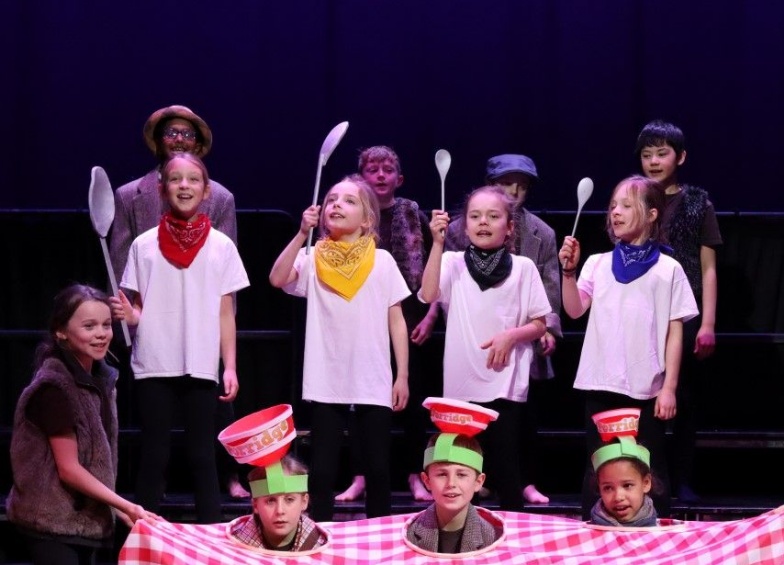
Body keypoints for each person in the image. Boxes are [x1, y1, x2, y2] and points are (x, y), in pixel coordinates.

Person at [109, 104, 248, 499]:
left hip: (201, 355)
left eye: (188, 134)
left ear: (204, 189)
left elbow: (225, 303)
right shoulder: (141, 235)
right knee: (154, 454)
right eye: (171, 133)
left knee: (202, 454)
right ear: (163, 186)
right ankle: (143, 541)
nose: (179, 140)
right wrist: (126, 315)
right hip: (155, 355)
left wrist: (229, 362)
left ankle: (207, 549)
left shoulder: (220, 227)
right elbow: (130, 286)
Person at [269, 175, 410, 520]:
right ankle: (321, 538)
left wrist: (402, 375)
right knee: (322, 470)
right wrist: (302, 233)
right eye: (331, 199)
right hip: (326, 377)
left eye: (348, 201)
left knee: (377, 468)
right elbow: (277, 278)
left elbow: (396, 320)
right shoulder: (313, 256)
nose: (335, 205)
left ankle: (380, 538)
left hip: (373, 376)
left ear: (366, 219)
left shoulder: (382, 261)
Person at [558, 175, 699, 519]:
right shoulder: (598, 263)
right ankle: (594, 538)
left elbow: (675, 333)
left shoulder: (669, 269)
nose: (615, 213)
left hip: (646, 389)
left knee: (650, 470)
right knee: (598, 470)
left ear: (652, 214)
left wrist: (669, 388)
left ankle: (655, 541)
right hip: (601, 383)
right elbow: (574, 309)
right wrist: (568, 274)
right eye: (612, 207)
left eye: (626, 206)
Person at [421, 185, 551, 511]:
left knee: (507, 471)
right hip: (461, 388)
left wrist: (510, 336)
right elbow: (427, 293)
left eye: (493, 216)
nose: (483, 222)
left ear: (509, 227)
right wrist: (437, 243)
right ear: (464, 226)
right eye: (475, 216)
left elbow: (540, 323)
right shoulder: (452, 262)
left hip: (504, 385)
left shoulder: (523, 268)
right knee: (462, 473)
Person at [7, 284, 156, 564]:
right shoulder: (54, 388)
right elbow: (69, 469)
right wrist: (123, 504)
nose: (101, 334)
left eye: (106, 325)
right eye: (89, 326)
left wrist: (115, 508)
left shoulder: (101, 380)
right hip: (51, 524)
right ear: (61, 332)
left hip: (87, 522)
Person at [445, 153, 560, 504]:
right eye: (504, 183)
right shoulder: (453, 247)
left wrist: (543, 330)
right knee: (463, 455)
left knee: (511, 443)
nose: (512, 190)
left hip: (511, 365)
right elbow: (433, 291)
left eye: (520, 184)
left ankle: (518, 501)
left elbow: (548, 295)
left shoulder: (538, 239)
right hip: (465, 368)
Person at [335, 146, 440, 503]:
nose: (380, 176)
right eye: (372, 169)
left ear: (400, 178)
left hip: (409, 318)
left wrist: (430, 313)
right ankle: (361, 474)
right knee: (359, 402)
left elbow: (433, 266)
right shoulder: (349, 213)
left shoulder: (411, 212)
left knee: (411, 404)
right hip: (361, 320)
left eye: (387, 169)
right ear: (360, 177)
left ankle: (415, 473)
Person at [636, 120, 723, 502]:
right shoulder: (634, 196)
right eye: (646, 154)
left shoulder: (696, 202)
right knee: (642, 398)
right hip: (641, 311)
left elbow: (708, 267)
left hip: (684, 315)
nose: (654, 161)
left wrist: (707, 323)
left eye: (662, 153)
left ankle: (683, 478)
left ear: (680, 157)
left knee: (683, 398)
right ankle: (647, 479)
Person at [406, 433, 502, 553]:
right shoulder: (408, 535)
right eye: (442, 474)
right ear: (427, 480)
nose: (451, 483)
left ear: (478, 481)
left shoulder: (493, 538)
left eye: (461, 475)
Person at [229, 455, 327, 551]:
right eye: (270, 501)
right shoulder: (233, 548)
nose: (280, 510)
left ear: (304, 502)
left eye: (289, 499)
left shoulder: (321, 546)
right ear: (255, 505)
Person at [590, 436, 657, 527]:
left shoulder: (664, 536)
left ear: (646, 483)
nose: (618, 497)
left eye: (627, 485)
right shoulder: (588, 535)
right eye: (608, 488)